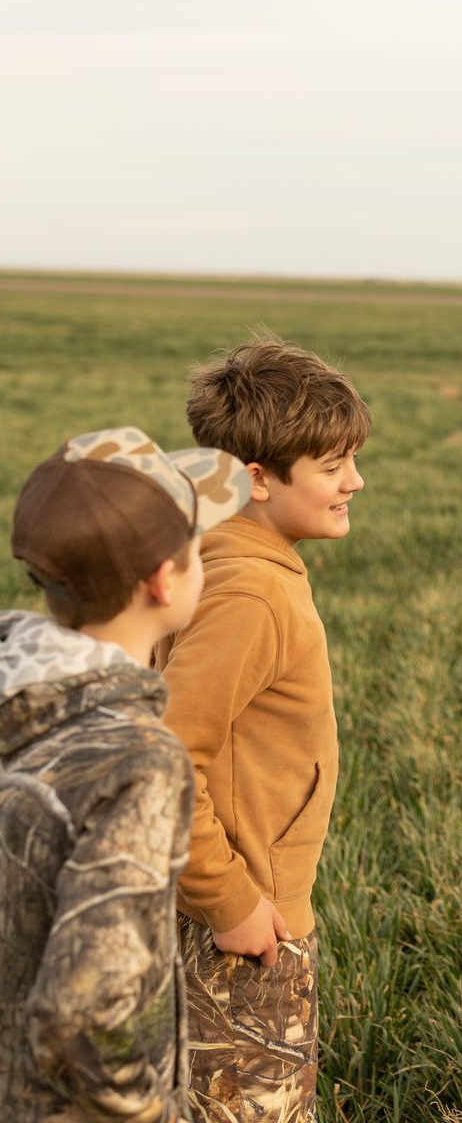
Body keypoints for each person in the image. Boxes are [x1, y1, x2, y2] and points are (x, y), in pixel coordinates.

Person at [1, 426, 250, 1122]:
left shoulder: (16, 696)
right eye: (197, 548)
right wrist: (153, 1113)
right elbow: (81, 1011)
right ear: (163, 580)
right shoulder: (137, 761)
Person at [155, 336, 370, 1122]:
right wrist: (230, 899)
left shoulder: (226, 562)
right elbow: (166, 758)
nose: (355, 481)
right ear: (254, 478)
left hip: (228, 911)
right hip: (244, 928)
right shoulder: (250, 594)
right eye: (330, 467)